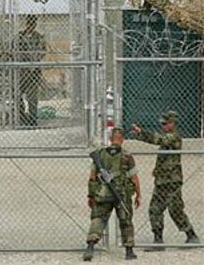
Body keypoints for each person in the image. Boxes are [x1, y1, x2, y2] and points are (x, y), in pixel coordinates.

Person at [132, 111, 199, 249]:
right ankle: (158, 240)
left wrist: (141, 132)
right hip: (162, 181)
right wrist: (157, 170)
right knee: (154, 209)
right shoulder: (168, 137)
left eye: (165, 123)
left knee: (175, 210)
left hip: (172, 182)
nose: (162, 126)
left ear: (172, 123)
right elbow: (164, 157)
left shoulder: (174, 137)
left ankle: (191, 235)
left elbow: (158, 140)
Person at [83, 127, 141, 261]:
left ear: (110, 139)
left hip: (102, 194)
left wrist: (91, 195)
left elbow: (92, 177)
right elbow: (134, 178)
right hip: (122, 195)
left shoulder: (100, 154)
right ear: (123, 139)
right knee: (125, 221)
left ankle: (90, 247)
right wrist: (138, 195)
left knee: (98, 219)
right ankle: (129, 251)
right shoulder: (127, 155)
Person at [13, 15, 46, 128]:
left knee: (32, 97)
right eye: (29, 23)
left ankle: (32, 119)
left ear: (35, 25)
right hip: (21, 72)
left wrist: (33, 60)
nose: (30, 26)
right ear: (26, 24)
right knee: (17, 95)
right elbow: (13, 50)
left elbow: (42, 51)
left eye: (33, 24)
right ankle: (21, 117)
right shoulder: (19, 37)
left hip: (33, 72)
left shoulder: (38, 37)